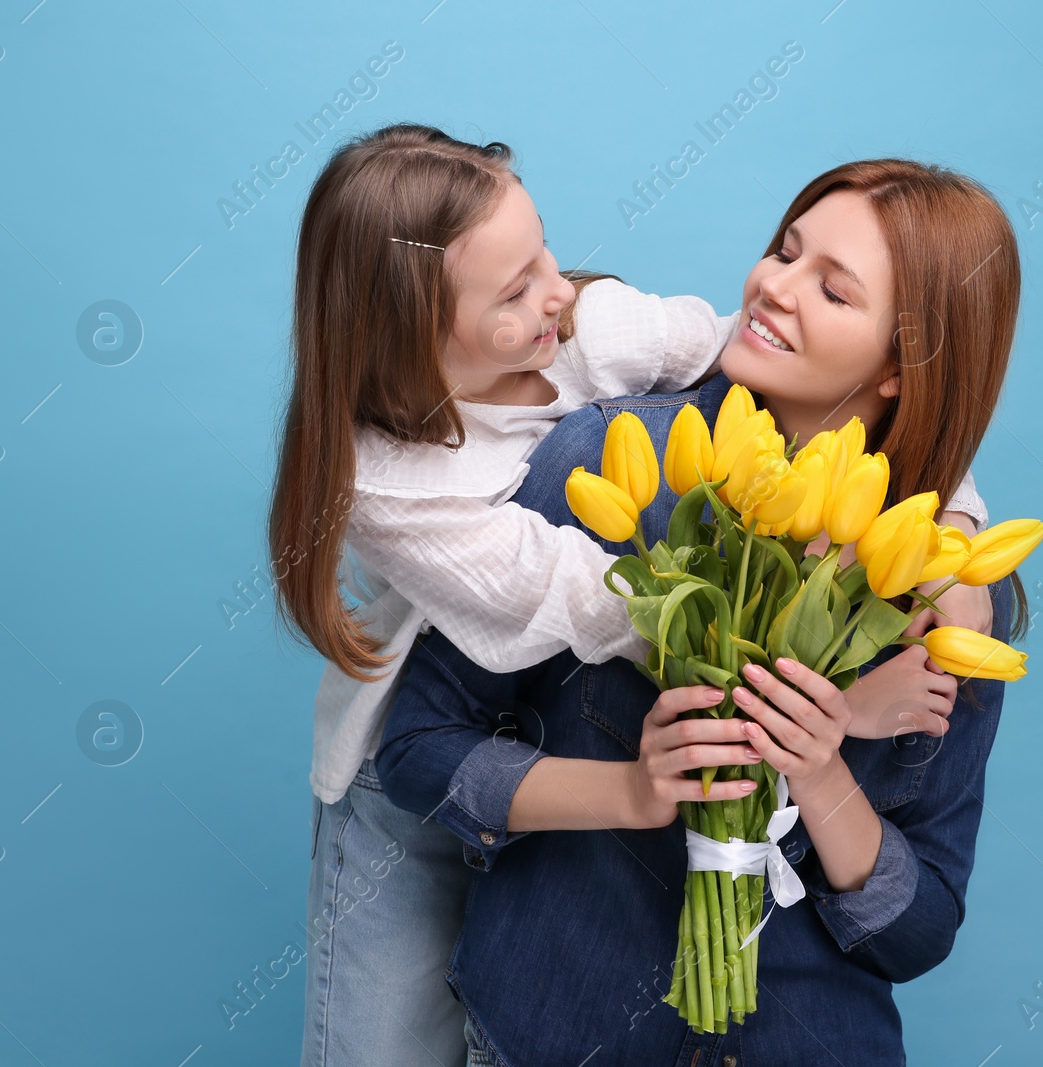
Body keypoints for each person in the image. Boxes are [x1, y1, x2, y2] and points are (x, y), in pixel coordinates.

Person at [270, 126, 990, 1066]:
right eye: (783, 250)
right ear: (417, 330)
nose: (562, 294)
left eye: (830, 282)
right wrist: (837, 699)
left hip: (774, 1014)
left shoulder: (590, 330)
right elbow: (600, 605)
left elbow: (754, 347)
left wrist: (953, 534)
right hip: (413, 743)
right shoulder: (455, 480)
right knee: (380, 1029)